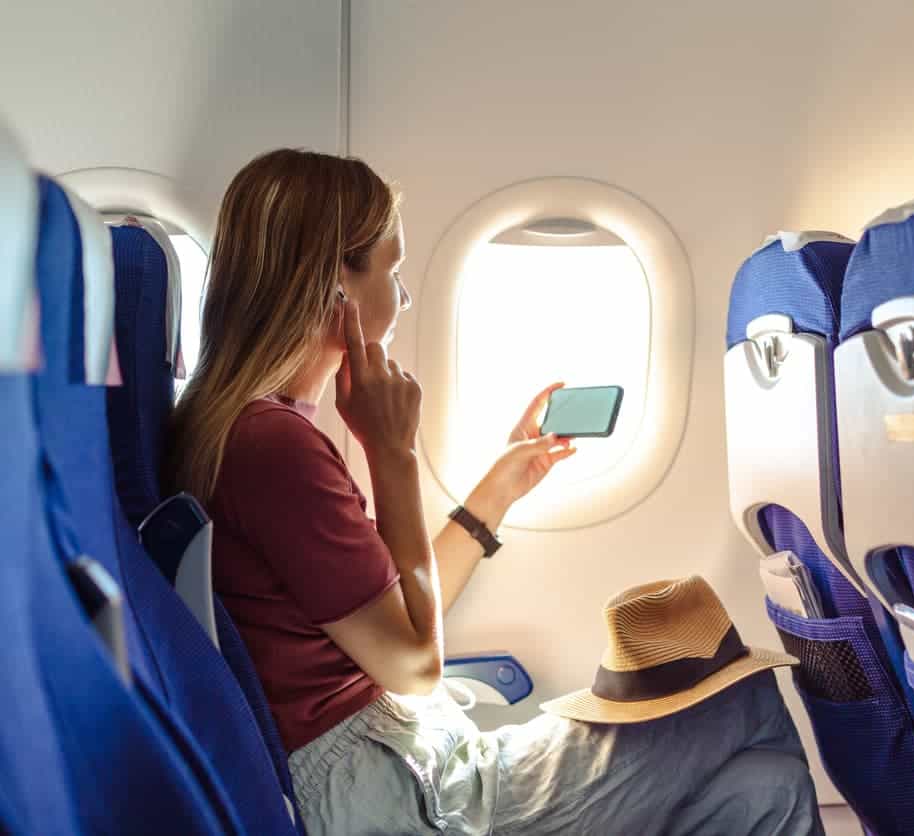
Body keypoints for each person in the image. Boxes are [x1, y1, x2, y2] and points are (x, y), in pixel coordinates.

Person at [165, 148, 822, 836]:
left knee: (764, 790)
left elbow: (396, 619)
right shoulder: (274, 447)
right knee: (745, 698)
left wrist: (497, 490)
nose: (403, 295)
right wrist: (393, 455)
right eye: (392, 270)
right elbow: (415, 663)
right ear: (337, 288)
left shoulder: (250, 429)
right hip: (383, 793)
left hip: (399, 769)